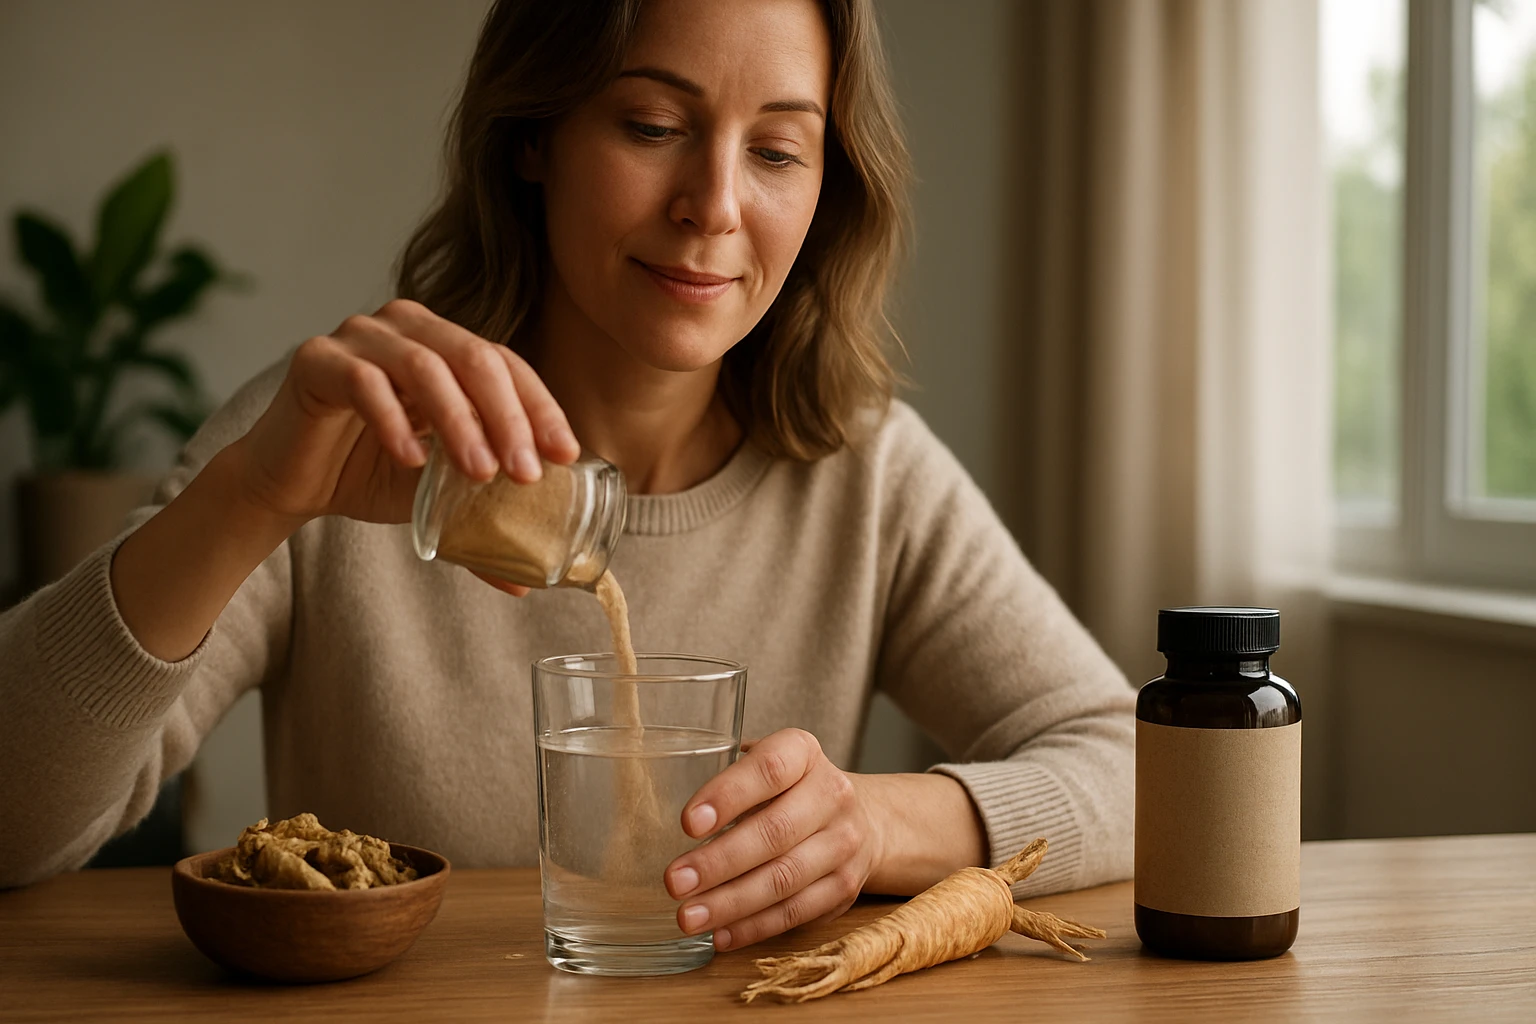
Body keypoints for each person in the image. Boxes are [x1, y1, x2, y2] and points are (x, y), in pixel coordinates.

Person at [0, 0, 1134, 952]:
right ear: (533, 136)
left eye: (779, 150)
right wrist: (248, 499)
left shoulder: (862, 470)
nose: (716, 204)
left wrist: (880, 826)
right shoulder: (344, 438)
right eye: (651, 124)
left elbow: (1148, 765)